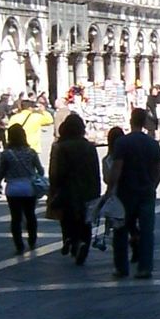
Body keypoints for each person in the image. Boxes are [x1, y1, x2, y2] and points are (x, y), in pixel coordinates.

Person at [106, 107, 160, 279]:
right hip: (146, 191)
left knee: (120, 230)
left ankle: (121, 268)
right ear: (145, 122)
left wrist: (110, 189)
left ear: (131, 121)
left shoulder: (122, 143)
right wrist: (153, 185)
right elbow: (159, 169)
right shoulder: (152, 143)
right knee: (146, 231)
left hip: (125, 192)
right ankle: (145, 268)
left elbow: (117, 167)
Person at [48, 113, 101, 265]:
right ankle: (84, 242)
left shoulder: (59, 146)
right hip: (87, 188)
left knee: (67, 218)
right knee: (86, 219)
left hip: (66, 188)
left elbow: (55, 171)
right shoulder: (89, 147)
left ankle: (69, 239)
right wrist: (96, 191)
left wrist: (54, 188)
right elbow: (94, 170)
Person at [0, 121, 48, 253]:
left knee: (16, 218)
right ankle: (32, 239)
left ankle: (19, 245)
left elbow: (1, 172)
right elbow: (41, 171)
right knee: (30, 214)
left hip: (13, 188)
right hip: (29, 187)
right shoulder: (31, 152)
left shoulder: (6, 154)